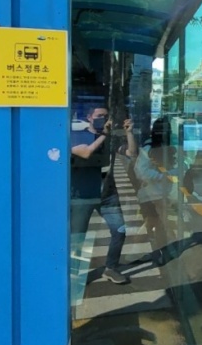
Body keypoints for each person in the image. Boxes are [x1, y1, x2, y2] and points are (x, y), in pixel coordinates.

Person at [71, 105, 131, 285]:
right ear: (89, 117)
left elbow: (131, 153)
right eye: (99, 116)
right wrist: (104, 134)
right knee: (77, 236)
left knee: (119, 231)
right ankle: (73, 273)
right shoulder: (77, 135)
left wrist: (129, 133)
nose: (103, 120)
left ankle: (111, 267)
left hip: (108, 195)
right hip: (83, 196)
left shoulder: (110, 139)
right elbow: (86, 152)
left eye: (106, 116)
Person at [130, 117, 177, 266]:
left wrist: (171, 174)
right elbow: (140, 170)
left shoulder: (169, 146)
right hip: (151, 194)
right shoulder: (149, 148)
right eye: (161, 129)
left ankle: (154, 253)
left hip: (164, 193)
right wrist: (161, 176)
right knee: (159, 225)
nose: (164, 132)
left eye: (167, 129)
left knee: (156, 225)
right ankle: (157, 253)